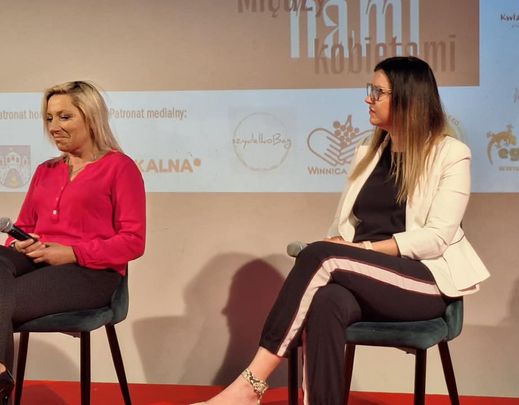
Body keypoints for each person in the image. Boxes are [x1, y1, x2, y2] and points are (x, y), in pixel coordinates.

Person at [194, 56, 490, 405]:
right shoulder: (368, 151)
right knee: (326, 301)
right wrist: (342, 243)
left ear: (408, 97)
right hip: (370, 276)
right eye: (370, 90)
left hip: (425, 281)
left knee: (320, 255)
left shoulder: (451, 153)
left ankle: (251, 385)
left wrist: (362, 250)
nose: (368, 99)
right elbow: (345, 225)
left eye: (378, 92)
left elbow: (436, 238)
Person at [0, 81, 145, 401]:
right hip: (37, 262)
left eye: (64, 117)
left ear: (91, 117)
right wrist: (19, 244)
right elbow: (25, 226)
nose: (54, 127)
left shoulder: (120, 167)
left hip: (91, 273)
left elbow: (133, 241)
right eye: (49, 118)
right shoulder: (45, 170)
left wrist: (73, 253)